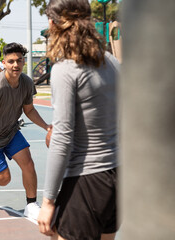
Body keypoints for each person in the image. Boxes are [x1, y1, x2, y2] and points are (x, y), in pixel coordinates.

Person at [37, 0, 120, 239]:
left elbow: (62, 137)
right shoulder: (111, 62)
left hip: (88, 178)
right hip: (119, 175)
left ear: (53, 24)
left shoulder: (66, 69)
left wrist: (48, 200)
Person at [0, 43, 52, 220]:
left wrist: (46, 127)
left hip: (10, 131)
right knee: (4, 179)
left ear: (23, 62)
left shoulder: (27, 83)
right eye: (11, 61)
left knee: (28, 163)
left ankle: (31, 205)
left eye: (19, 60)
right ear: (3, 63)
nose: (15, 65)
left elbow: (29, 110)